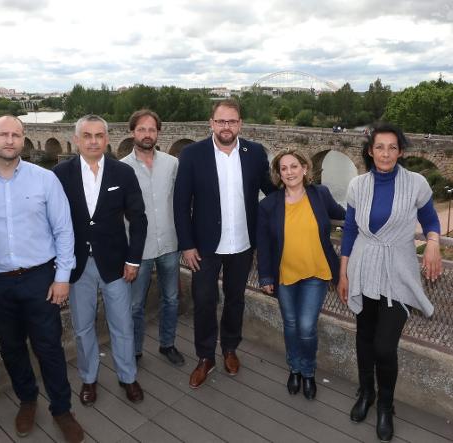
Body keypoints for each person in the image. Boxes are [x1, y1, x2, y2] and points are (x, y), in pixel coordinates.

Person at [0, 115, 84, 442]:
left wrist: (63, 276)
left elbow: (64, 231)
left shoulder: (45, 180)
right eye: (3, 134)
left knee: (49, 347)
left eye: (16, 135)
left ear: (24, 140)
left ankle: (62, 408)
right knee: (11, 348)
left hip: (41, 278)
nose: (10, 140)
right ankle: (27, 400)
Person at [337, 122, 442, 442]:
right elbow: (351, 230)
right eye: (379, 147)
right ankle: (366, 393)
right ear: (370, 151)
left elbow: (430, 219)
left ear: (401, 151)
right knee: (364, 337)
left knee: (384, 346)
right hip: (364, 267)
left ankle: (385, 406)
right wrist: (344, 272)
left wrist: (434, 242)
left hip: (397, 268)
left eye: (392, 147)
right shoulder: (357, 185)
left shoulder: (417, 183)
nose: (385, 153)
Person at [173, 99, 275, 389]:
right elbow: (181, 204)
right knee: (204, 302)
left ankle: (230, 348)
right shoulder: (192, 155)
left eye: (232, 121)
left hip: (242, 244)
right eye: (221, 121)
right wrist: (187, 245)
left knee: (235, 300)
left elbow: (271, 191)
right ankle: (206, 357)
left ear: (240, 124)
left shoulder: (254, 153)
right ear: (211, 124)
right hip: (204, 247)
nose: (226, 127)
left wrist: (308, 195)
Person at [53, 114, 148, 406]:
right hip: (77, 266)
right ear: (77, 139)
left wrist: (134, 260)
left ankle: (128, 377)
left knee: (122, 324)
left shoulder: (123, 173)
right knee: (82, 327)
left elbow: (139, 219)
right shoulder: (59, 174)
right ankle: (89, 378)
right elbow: (52, 222)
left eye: (99, 136)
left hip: (116, 264)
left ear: (106, 139)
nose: (93, 141)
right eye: (87, 135)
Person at [256, 149, 345, 400]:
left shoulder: (321, 195)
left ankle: (308, 372)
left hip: (316, 273)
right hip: (284, 274)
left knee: (306, 327)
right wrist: (265, 277)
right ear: (278, 174)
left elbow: (344, 216)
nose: (289, 172)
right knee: (291, 325)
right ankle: (294, 368)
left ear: (305, 169)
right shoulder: (269, 205)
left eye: (294, 166)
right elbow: (263, 244)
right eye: (284, 168)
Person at [121, 109, 184, 367]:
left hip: (169, 244)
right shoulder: (121, 168)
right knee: (135, 305)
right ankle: (135, 351)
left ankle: (167, 344)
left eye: (152, 130)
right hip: (138, 251)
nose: (147, 134)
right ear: (133, 132)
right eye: (142, 129)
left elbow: (181, 202)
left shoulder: (172, 163)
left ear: (158, 133)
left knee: (171, 299)